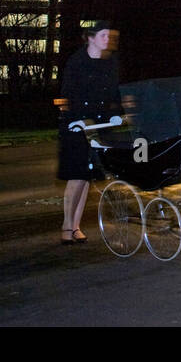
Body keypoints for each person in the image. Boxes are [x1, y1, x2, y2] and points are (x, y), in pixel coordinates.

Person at [57, 20, 121, 243]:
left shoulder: (110, 63)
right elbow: (66, 94)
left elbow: (115, 93)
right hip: (76, 126)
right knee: (76, 176)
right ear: (91, 38)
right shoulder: (77, 62)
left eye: (109, 35)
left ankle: (76, 225)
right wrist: (73, 119)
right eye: (103, 35)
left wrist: (117, 113)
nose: (108, 39)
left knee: (87, 177)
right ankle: (67, 225)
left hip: (98, 124)